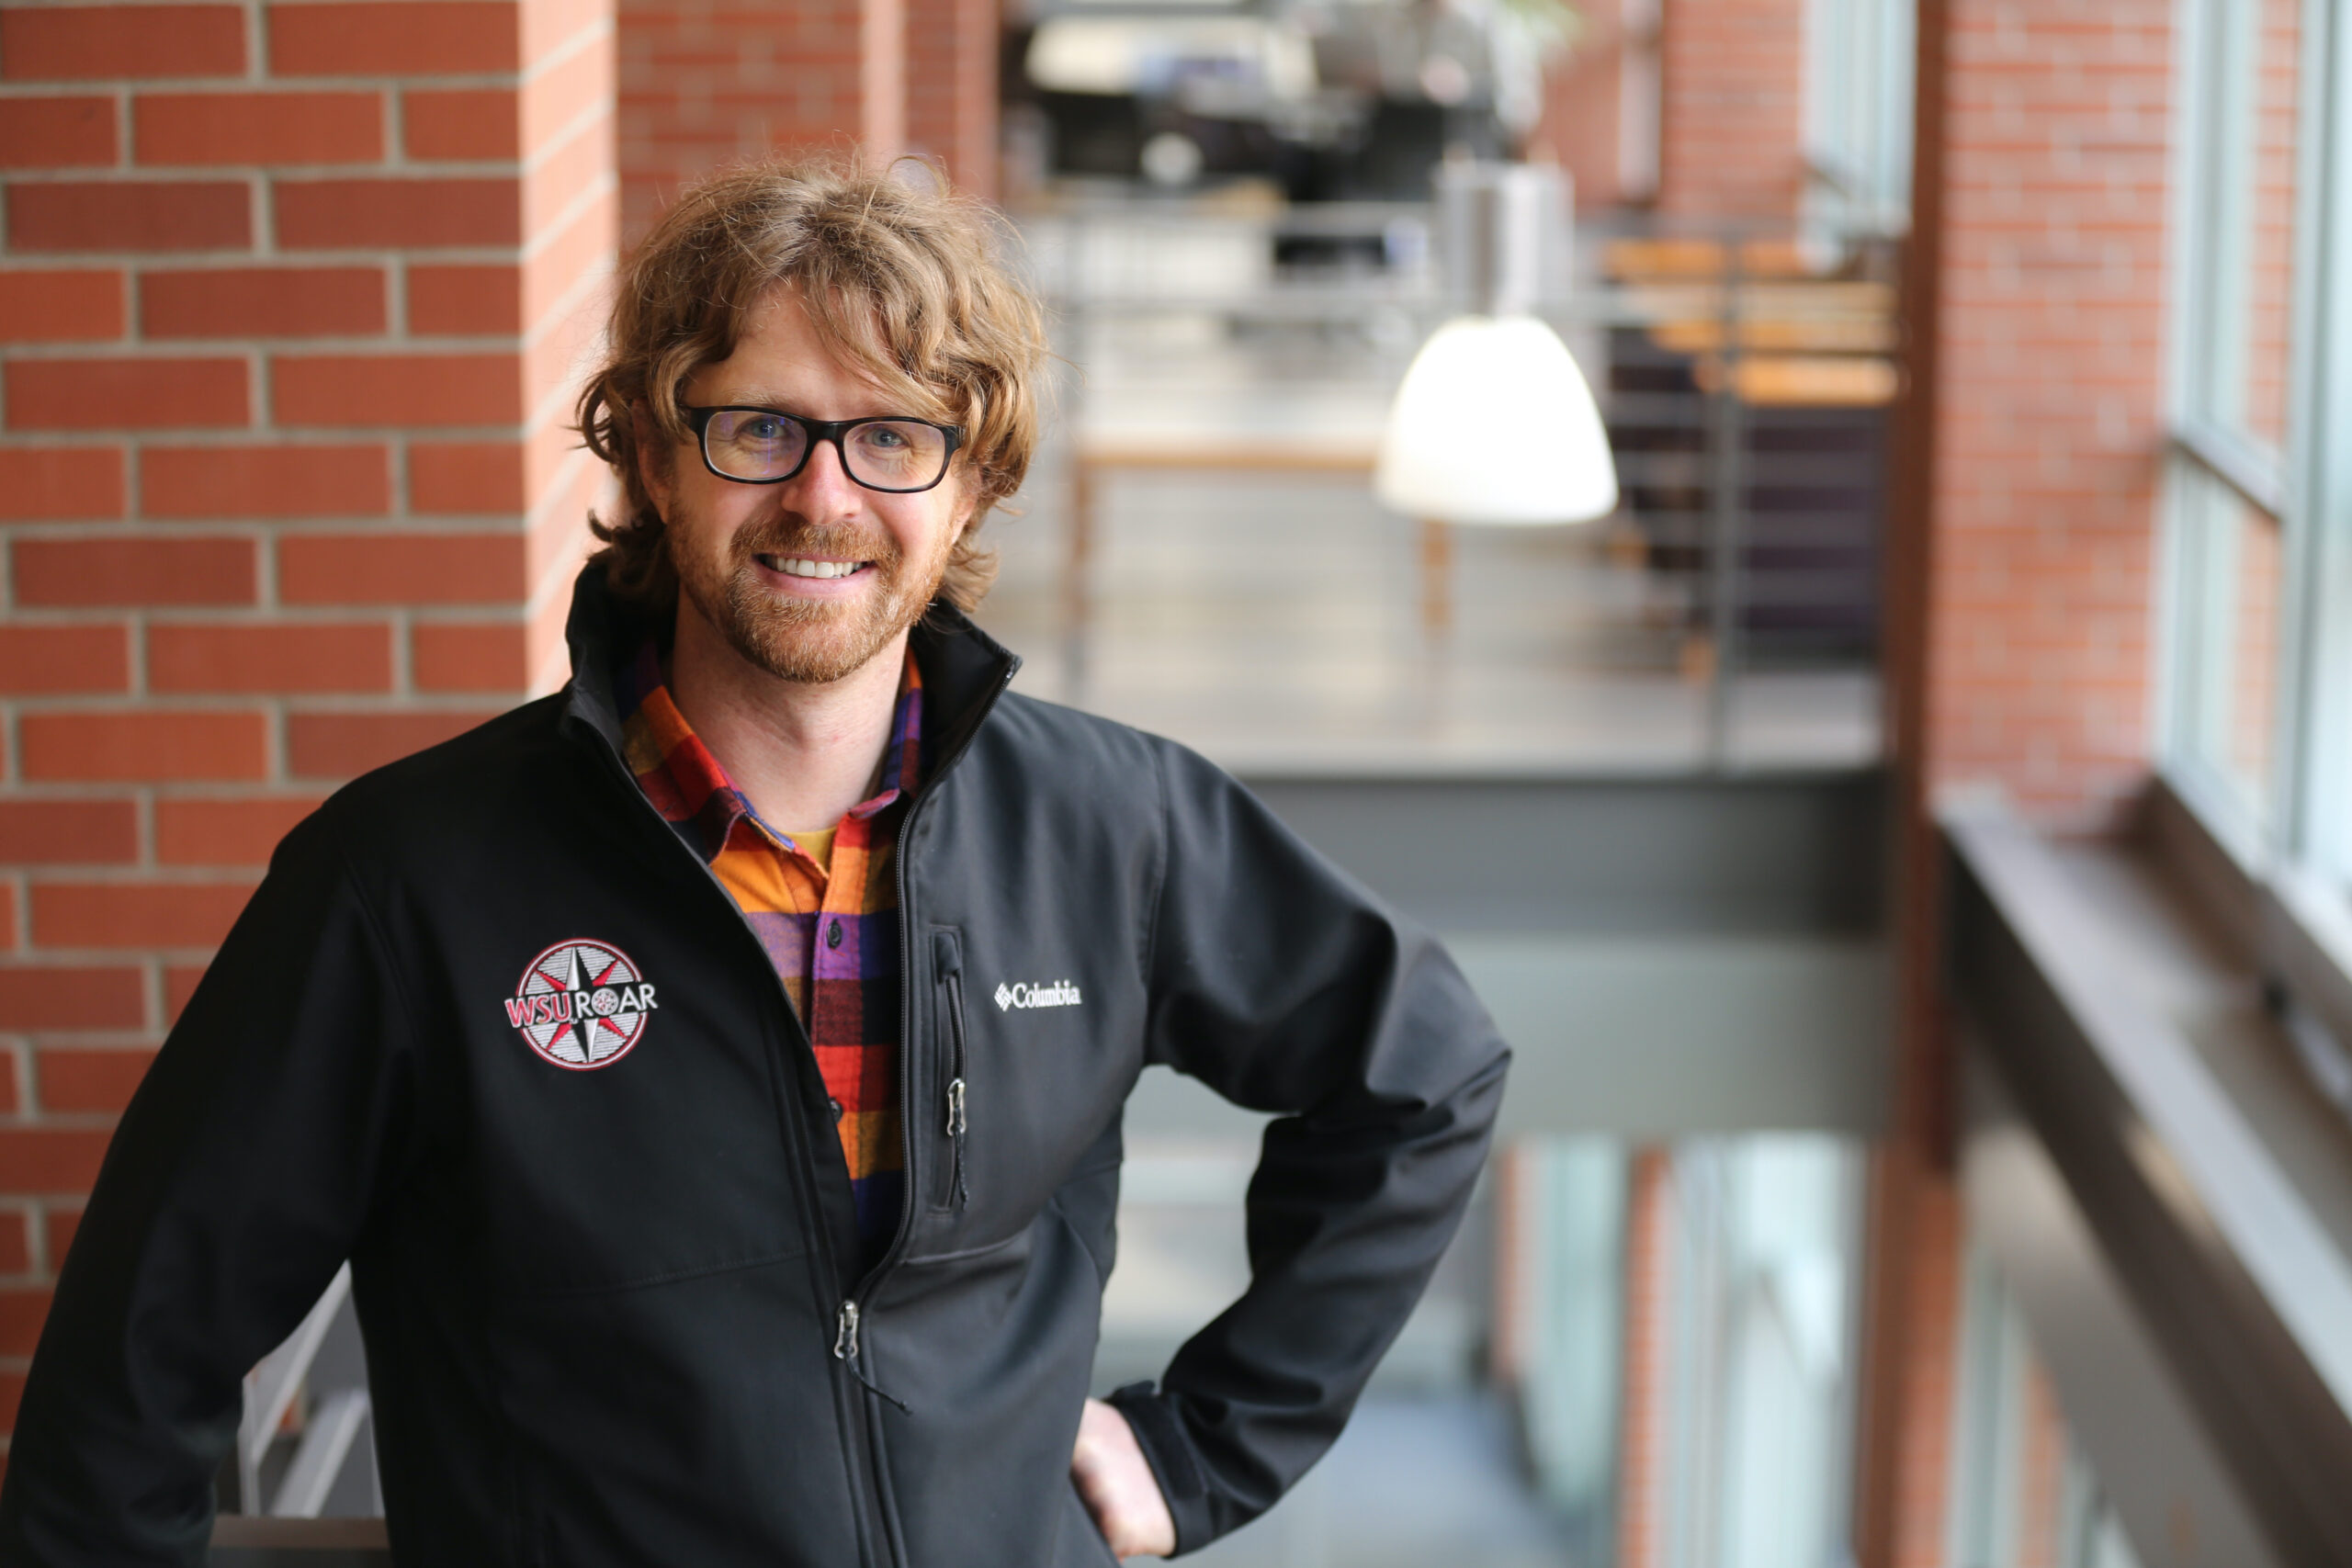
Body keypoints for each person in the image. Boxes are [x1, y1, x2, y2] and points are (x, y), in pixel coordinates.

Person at [0, 157, 1508, 1566]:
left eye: (895, 438)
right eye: (762, 428)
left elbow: (1423, 1076)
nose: (825, 498)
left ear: (969, 484)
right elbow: (134, 1372)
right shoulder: (405, 884)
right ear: (657, 455)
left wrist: (1198, 1453)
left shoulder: (1116, 830)